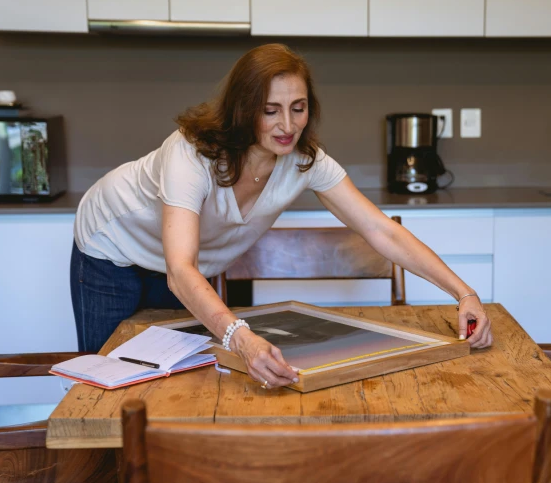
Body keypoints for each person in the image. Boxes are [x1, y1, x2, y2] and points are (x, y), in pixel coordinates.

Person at [71, 43, 492, 390]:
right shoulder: (190, 154)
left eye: (298, 107)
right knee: (111, 380)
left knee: (171, 380)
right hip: (112, 248)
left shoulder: (305, 161)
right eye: (270, 110)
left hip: (177, 269)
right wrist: (242, 339)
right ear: (243, 109)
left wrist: (464, 293)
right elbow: (181, 271)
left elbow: (381, 230)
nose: (287, 125)